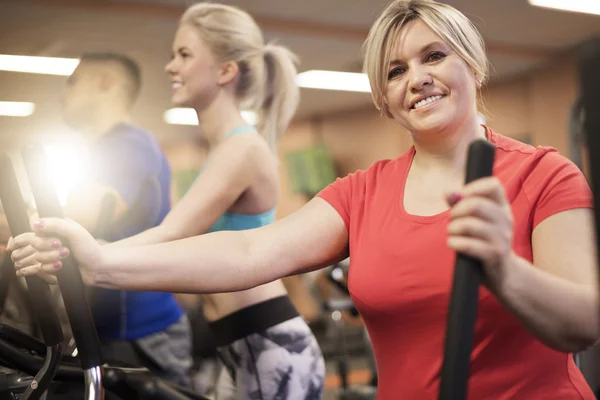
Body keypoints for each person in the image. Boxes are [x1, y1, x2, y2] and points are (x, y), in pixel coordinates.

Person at [10, 0, 600, 398]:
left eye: (434, 56)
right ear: (384, 98)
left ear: (472, 65)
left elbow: (582, 322)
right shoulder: (362, 192)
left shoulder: (545, 175)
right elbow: (247, 255)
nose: (415, 77)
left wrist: (503, 267)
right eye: (394, 71)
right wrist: (100, 261)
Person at [17, 4, 326, 399]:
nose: (170, 66)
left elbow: (173, 232)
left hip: (268, 339)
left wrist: (83, 256)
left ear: (225, 71)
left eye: (184, 55)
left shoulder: (242, 149)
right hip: (236, 338)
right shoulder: (222, 150)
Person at [42, 53, 193, 387]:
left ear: (105, 83)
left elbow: (83, 218)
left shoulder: (126, 143)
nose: (63, 94)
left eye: (73, 82)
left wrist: (27, 223)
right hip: (114, 328)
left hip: (140, 333)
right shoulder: (102, 150)